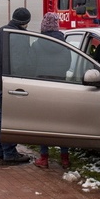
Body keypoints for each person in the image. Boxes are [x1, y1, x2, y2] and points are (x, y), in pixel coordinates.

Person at [0, 7, 33, 165]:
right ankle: (9, 152)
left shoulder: (0, 31)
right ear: (24, 23)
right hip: (10, 82)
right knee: (9, 117)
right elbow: (22, 62)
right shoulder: (19, 36)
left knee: (2, 115)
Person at [34, 12, 71, 169]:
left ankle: (44, 157)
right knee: (61, 122)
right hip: (60, 86)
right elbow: (68, 65)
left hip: (42, 86)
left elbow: (30, 64)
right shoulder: (65, 45)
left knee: (43, 122)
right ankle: (64, 157)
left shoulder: (36, 44)